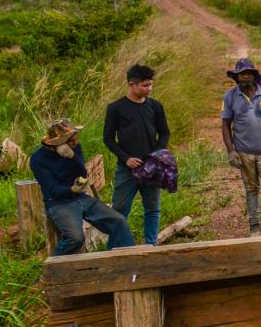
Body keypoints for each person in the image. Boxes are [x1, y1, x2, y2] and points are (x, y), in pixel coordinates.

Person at [29, 118, 136, 255]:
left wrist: (73, 157)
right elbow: (51, 188)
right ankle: (53, 268)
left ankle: (123, 259)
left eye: (76, 139)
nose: (76, 142)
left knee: (119, 222)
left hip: (81, 197)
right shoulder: (38, 159)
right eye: (71, 141)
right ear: (59, 143)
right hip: (58, 203)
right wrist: (71, 189)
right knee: (75, 238)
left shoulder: (74, 148)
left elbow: (82, 173)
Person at [104, 62, 169, 246]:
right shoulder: (115, 108)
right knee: (119, 210)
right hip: (127, 169)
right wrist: (126, 159)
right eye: (145, 85)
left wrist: (156, 155)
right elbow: (108, 138)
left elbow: (164, 132)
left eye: (150, 84)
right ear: (131, 84)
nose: (150, 88)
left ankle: (151, 245)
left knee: (152, 209)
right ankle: (116, 247)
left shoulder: (155, 106)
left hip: (151, 167)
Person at [220, 58, 261, 236]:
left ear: (255, 75)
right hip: (243, 152)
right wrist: (231, 151)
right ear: (237, 77)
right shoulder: (230, 96)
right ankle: (254, 227)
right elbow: (225, 125)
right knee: (251, 190)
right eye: (242, 74)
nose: (245, 77)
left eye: (249, 73)